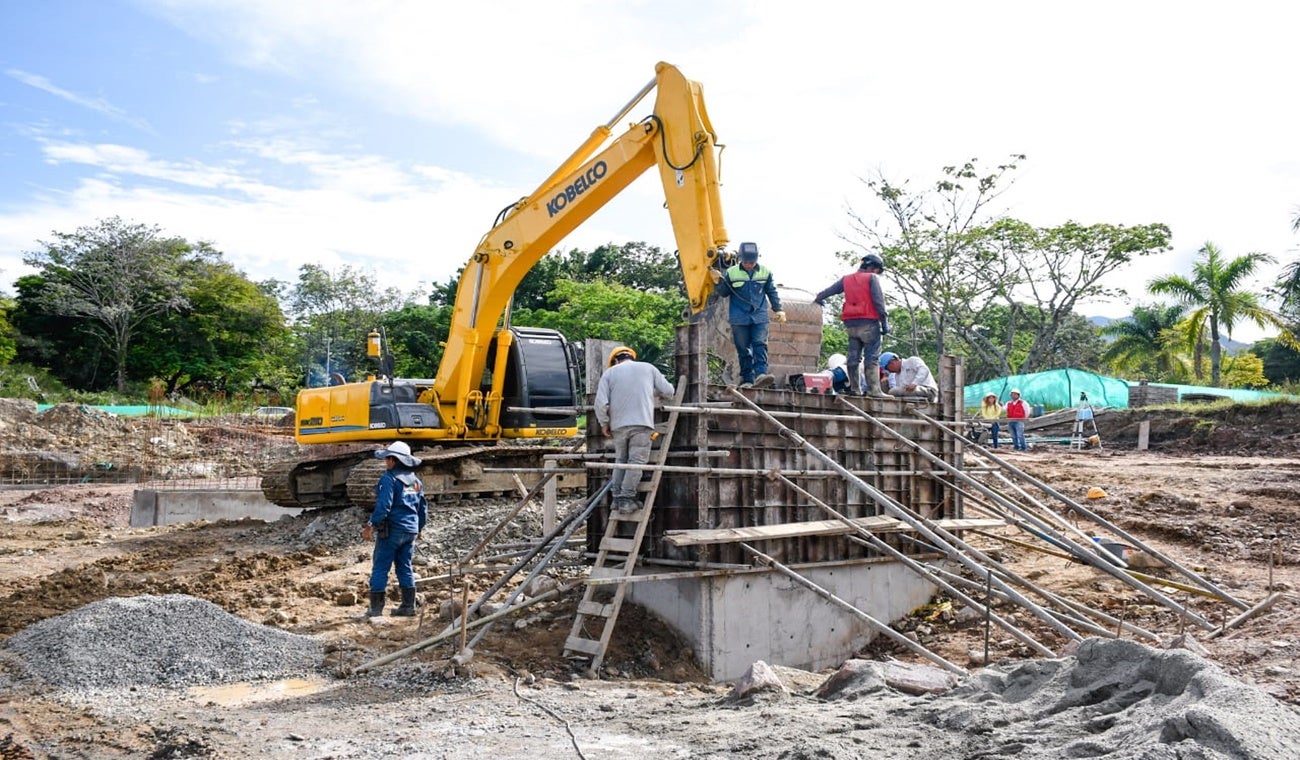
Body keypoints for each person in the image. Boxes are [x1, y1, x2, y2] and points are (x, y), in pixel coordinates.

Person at [594, 346, 675, 513]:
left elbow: (600, 403)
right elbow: (669, 391)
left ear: (615, 361)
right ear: (632, 357)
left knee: (621, 460)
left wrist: (604, 423)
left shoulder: (609, 373)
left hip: (618, 426)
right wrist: (650, 391)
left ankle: (617, 500)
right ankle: (626, 499)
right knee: (636, 462)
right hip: (641, 423)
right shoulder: (648, 368)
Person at [363, 441, 427, 617]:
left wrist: (371, 525)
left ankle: (375, 609)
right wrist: (419, 528)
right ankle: (408, 606)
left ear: (393, 460)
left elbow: (383, 506)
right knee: (405, 566)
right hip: (410, 530)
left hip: (392, 530)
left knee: (381, 567)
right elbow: (422, 508)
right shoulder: (415, 482)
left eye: (387, 459)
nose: (386, 462)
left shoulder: (389, 479)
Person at [814, 254, 889, 396]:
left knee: (853, 358)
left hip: (851, 324)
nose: (876, 273)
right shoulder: (871, 278)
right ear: (872, 267)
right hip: (869, 322)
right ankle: (874, 390)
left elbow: (828, 291)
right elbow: (879, 302)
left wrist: (819, 298)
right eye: (877, 270)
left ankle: (855, 389)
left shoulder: (846, 279)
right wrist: (884, 322)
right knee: (872, 357)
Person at [715, 241, 785, 388]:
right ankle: (747, 379)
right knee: (743, 349)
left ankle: (761, 374)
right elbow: (724, 293)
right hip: (739, 318)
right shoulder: (732, 273)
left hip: (759, 316)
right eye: (746, 262)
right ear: (741, 259)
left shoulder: (765, 272)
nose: (749, 265)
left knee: (760, 344)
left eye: (752, 262)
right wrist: (717, 281)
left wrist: (778, 309)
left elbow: (771, 291)